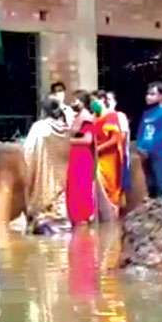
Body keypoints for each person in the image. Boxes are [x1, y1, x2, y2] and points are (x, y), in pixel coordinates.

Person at [21, 97, 71, 234]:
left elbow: (28, 151)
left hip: (43, 180)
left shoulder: (39, 127)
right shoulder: (68, 128)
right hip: (64, 182)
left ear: (44, 111)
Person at [136, 82, 162, 200]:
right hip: (145, 154)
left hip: (160, 154)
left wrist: (150, 149)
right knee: (150, 185)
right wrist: (140, 147)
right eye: (147, 94)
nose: (148, 96)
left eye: (152, 94)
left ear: (161, 96)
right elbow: (140, 132)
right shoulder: (146, 113)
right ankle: (153, 214)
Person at [92, 94, 126, 217]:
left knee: (111, 188)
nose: (93, 104)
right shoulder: (94, 118)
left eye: (95, 101)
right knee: (99, 189)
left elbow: (115, 139)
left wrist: (98, 149)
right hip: (97, 159)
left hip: (110, 158)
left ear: (103, 101)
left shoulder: (111, 116)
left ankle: (113, 223)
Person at [65, 90, 96, 226]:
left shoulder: (87, 117)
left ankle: (83, 217)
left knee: (81, 186)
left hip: (82, 155)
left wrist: (68, 142)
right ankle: (75, 217)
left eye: (75, 100)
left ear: (82, 102)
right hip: (74, 155)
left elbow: (88, 140)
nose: (72, 103)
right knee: (73, 186)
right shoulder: (77, 116)